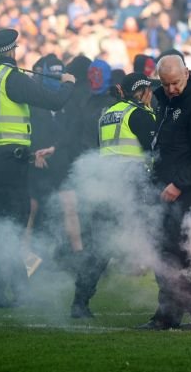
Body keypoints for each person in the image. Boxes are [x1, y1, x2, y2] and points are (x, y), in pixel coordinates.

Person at [0, 29, 75, 307]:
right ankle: (10, 291)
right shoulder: (10, 77)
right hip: (9, 161)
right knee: (14, 224)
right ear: (12, 51)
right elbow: (54, 101)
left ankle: (1, 291)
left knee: (3, 226)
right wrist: (68, 83)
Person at [139, 55, 191, 330]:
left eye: (175, 83)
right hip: (166, 187)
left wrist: (179, 184)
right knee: (164, 253)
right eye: (165, 84)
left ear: (187, 73)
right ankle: (167, 314)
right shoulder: (164, 98)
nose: (171, 89)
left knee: (184, 254)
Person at [71, 72, 156, 319]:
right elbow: (155, 149)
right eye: (149, 90)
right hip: (132, 186)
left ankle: (80, 302)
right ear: (142, 91)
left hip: (107, 185)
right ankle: (175, 303)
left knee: (98, 248)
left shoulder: (108, 114)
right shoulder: (138, 114)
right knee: (161, 241)